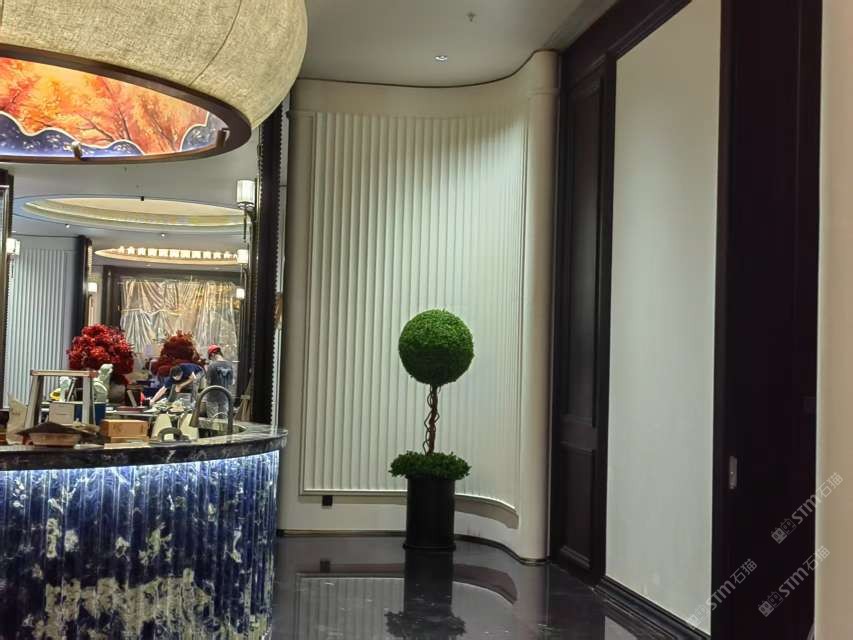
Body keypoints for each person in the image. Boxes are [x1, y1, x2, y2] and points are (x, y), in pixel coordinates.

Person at [205, 345, 234, 419]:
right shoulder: (229, 365)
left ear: (212, 354)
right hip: (225, 398)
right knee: (224, 422)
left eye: (210, 358)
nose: (211, 360)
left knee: (213, 421)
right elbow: (231, 383)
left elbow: (208, 382)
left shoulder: (212, 366)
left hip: (212, 399)